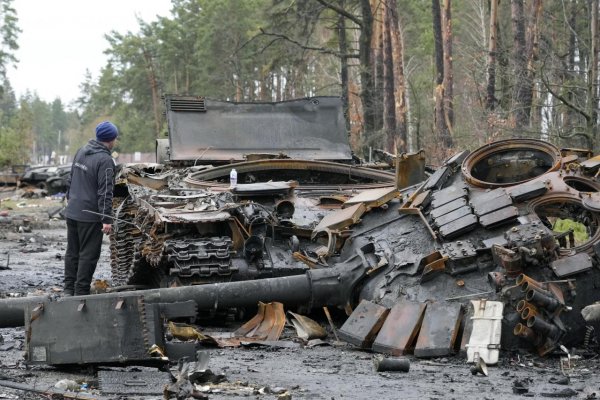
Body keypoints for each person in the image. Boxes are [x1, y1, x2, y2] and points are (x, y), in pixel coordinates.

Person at [63, 121, 118, 296]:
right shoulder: (105, 160)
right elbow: (106, 191)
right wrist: (106, 219)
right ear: (112, 139)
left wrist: (70, 200)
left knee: (72, 252)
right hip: (90, 216)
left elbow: (70, 179)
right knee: (88, 255)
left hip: (72, 212)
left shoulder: (81, 151)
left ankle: (68, 289)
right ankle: (81, 293)